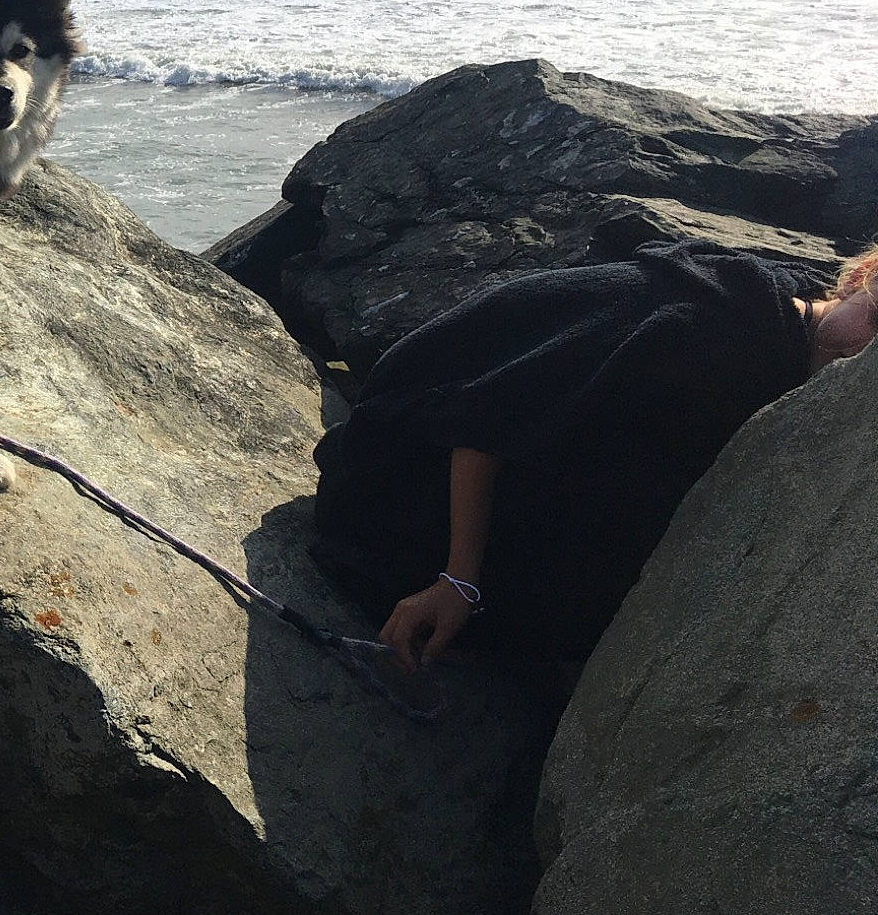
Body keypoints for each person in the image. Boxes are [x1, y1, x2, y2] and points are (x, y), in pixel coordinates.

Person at [311, 239, 878, 674]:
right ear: (855, 281)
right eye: (875, 321)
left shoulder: (778, 328)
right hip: (400, 456)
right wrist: (458, 579)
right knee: (544, 628)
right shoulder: (713, 335)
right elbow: (489, 416)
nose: (863, 350)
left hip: (466, 428)